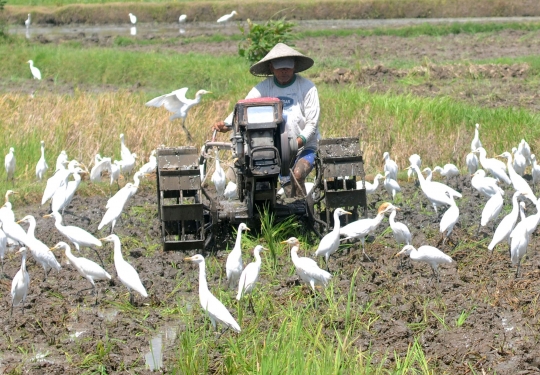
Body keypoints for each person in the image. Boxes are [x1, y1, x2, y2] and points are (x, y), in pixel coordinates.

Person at [213, 43, 321, 197]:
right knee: (255, 175)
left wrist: (296, 143)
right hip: (273, 149)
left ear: (294, 67)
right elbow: (243, 107)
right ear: (271, 68)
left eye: (287, 68)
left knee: (296, 175)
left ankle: (304, 211)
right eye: (279, 68)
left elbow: (312, 123)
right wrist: (227, 124)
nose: (284, 72)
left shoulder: (307, 88)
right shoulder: (264, 88)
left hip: (304, 148)